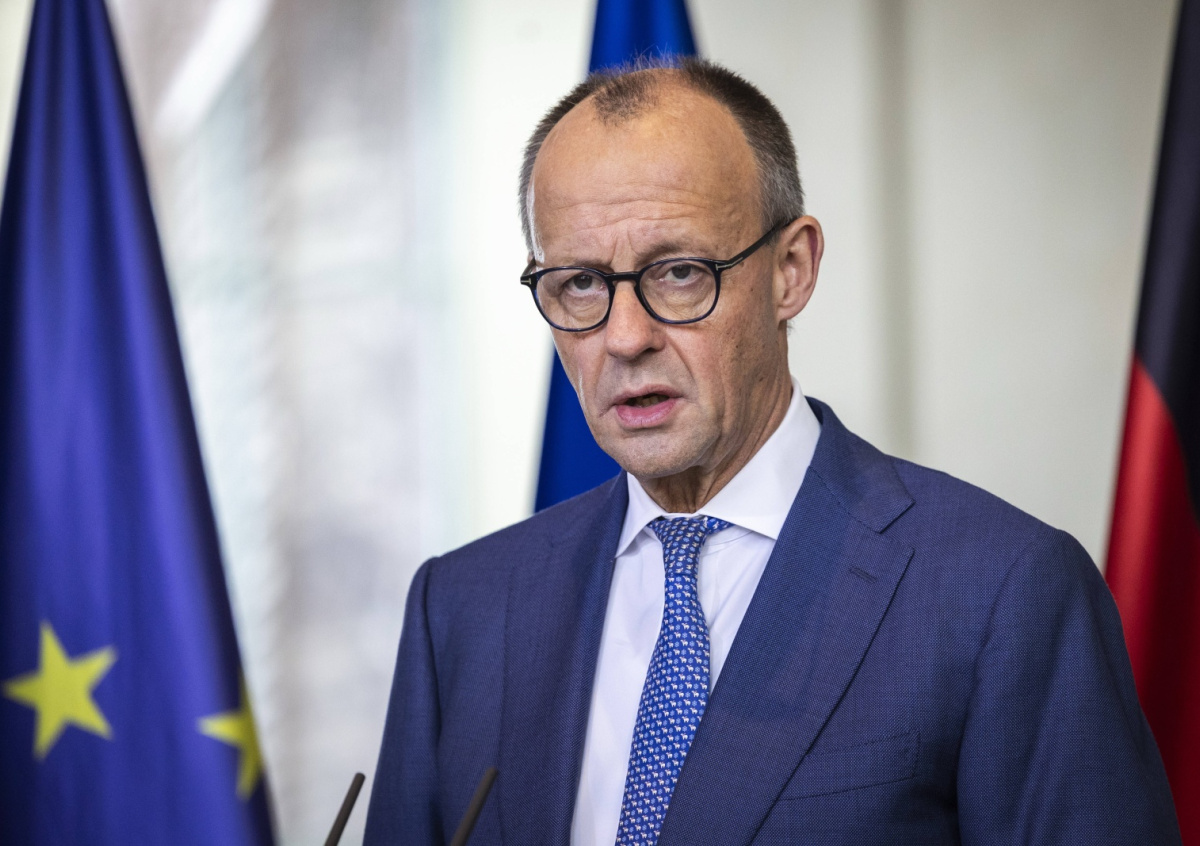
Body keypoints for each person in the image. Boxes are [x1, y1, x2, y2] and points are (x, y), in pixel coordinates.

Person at [363, 59, 1180, 845]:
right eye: (579, 283)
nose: (624, 337)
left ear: (791, 270)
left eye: (678, 273)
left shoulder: (1001, 592)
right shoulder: (461, 609)